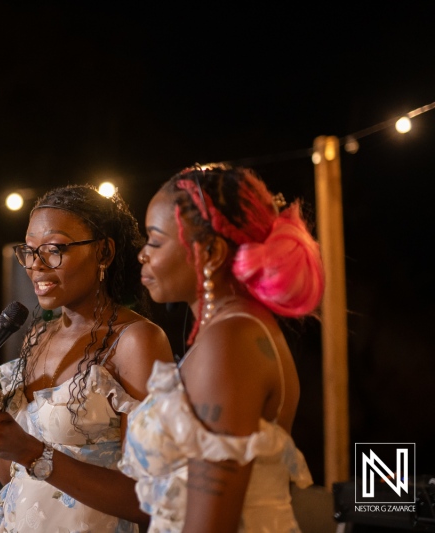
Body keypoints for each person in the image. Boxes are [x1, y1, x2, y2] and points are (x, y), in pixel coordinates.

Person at [0, 184, 174, 532]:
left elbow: (149, 501)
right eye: (29, 251)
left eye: (54, 250)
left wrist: (32, 452)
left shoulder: (137, 341)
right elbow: (13, 476)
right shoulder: (37, 337)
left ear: (103, 252)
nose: (36, 266)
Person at [118, 165, 324, 532]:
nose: (142, 255)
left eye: (155, 241)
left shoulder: (231, 341)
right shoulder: (232, 331)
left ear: (211, 252)